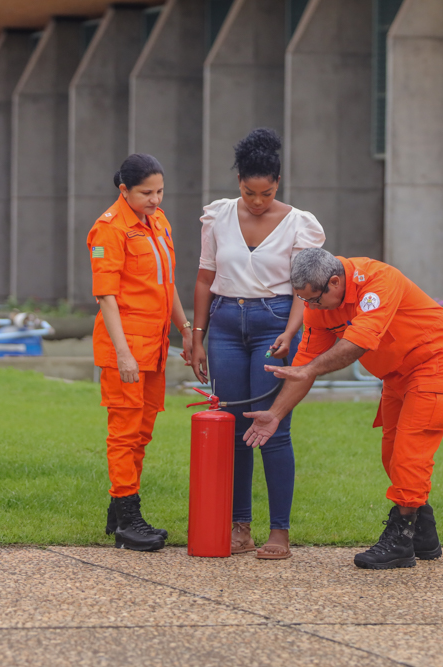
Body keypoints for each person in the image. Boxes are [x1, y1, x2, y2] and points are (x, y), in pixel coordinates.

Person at [242, 248, 443, 570]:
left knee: (410, 450)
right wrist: (275, 414)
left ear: (334, 283)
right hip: (396, 371)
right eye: (303, 301)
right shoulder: (318, 306)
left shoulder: (378, 281)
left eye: (314, 300)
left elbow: (356, 344)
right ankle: (423, 533)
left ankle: (401, 538)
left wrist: (311, 370)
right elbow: (303, 367)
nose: (309, 308)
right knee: (391, 452)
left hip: (435, 359)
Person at [189, 128, 325, 560]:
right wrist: (197, 336)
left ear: (277, 185)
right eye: (249, 193)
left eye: (265, 193)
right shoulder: (218, 216)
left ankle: (279, 533)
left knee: (271, 427)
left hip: (275, 325)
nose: (257, 202)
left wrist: (291, 331)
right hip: (226, 324)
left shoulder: (300, 223)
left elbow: (307, 287)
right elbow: (206, 278)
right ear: (239, 184)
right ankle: (240, 527)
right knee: (232, 429)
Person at [88, 153, 193, 552]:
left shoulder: (158, 222)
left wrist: (185, 329)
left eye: (159, 191)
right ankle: (129, 518)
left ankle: (120, 512)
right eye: (146, 192)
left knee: (143, 432)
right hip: (127, 348)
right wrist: (123, 354)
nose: (154, 199)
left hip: (155, 344)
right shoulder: (109, 230)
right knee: (125, 432)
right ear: (124, 191)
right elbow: (106, 297)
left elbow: (167, 284)